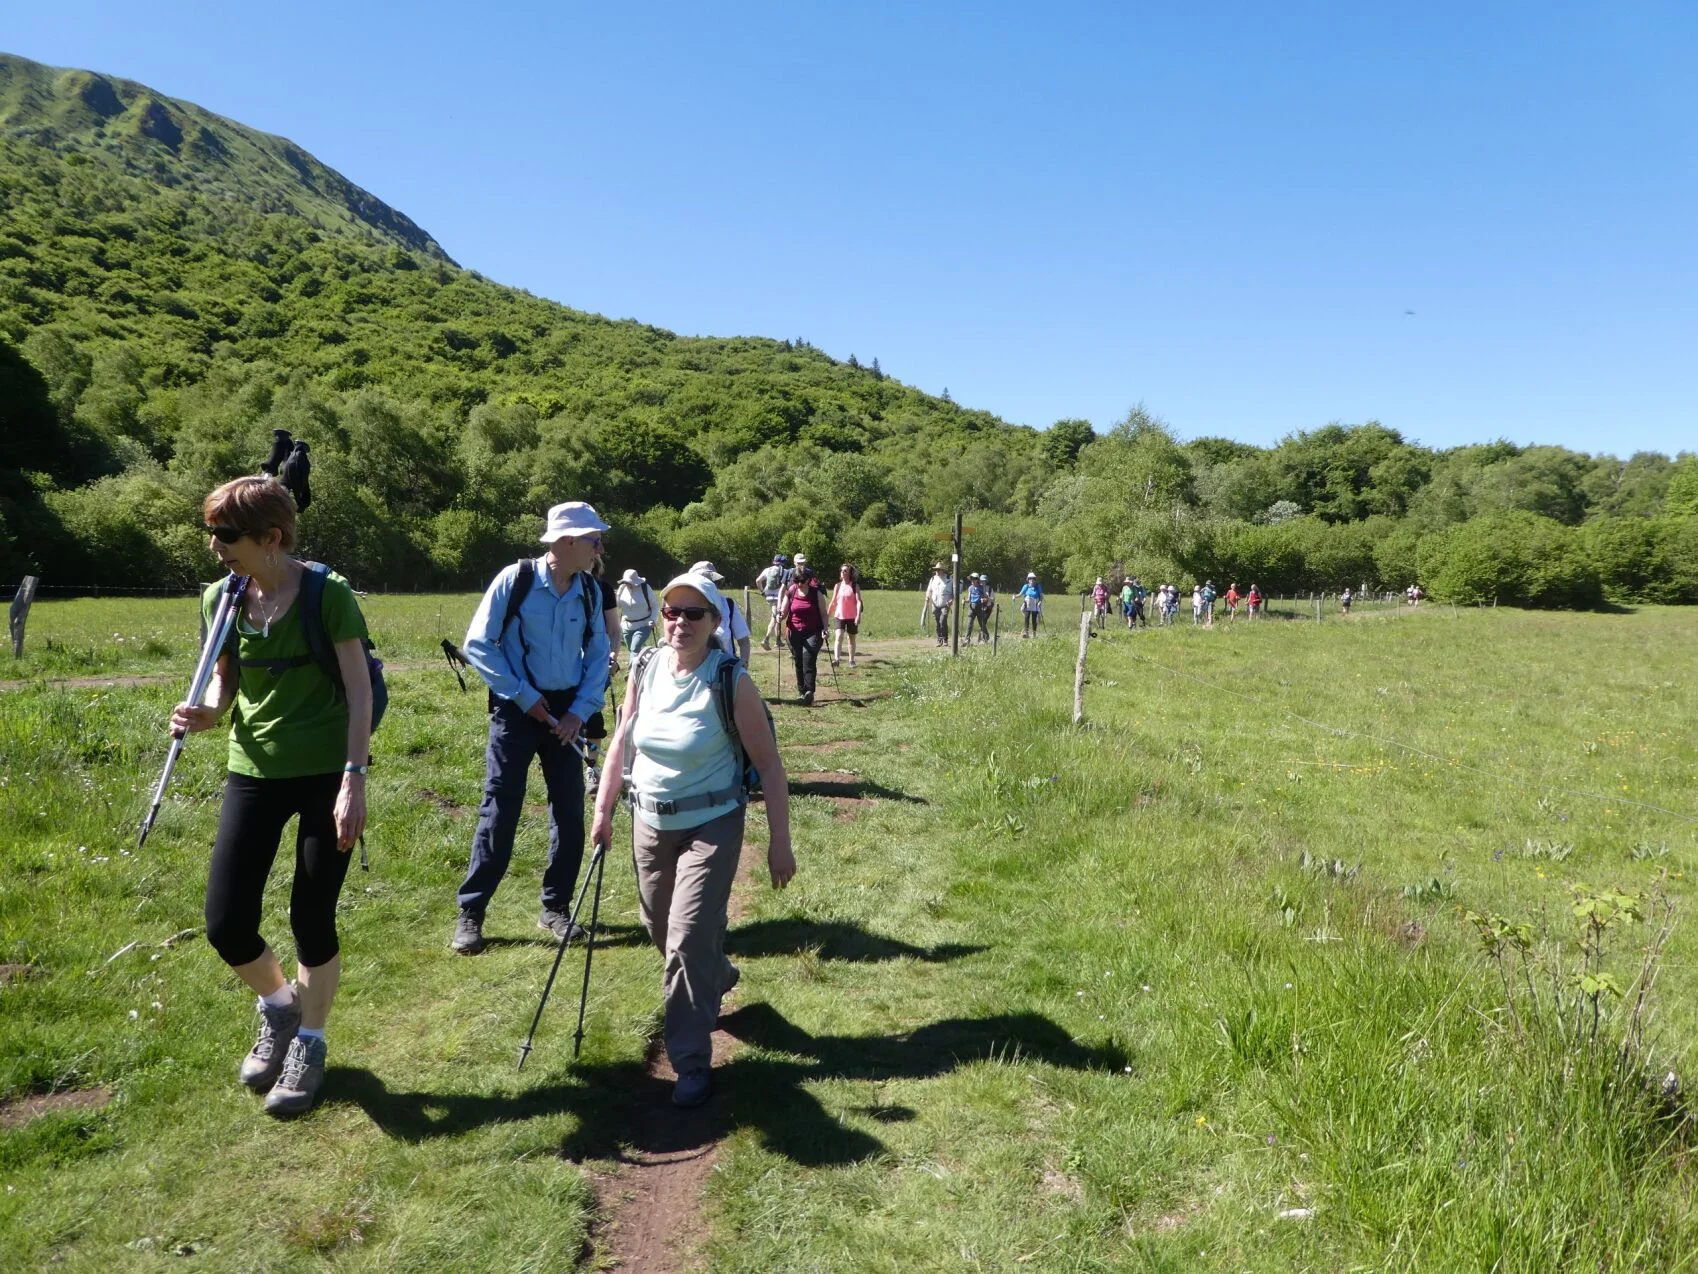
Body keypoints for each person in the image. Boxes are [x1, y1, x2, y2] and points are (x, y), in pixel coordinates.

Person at [171, 475, 372, 1117]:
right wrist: (206, 713)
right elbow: (226, 684)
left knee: (311, 915)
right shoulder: (220, 599)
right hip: (252, 767)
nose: (215, 547)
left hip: (325, 772)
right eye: (212, 534)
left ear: (271, 538)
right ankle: (280, 1008)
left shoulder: (328, 596)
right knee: (226, 922)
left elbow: (359, 690)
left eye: (226, 536)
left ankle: (309, 1045)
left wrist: (353, 780)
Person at [591, 571, 795, 1108]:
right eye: (672, 613)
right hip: (649, 821)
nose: (681, 623)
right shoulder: (644, 666)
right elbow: (622, 740)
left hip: (713, 823)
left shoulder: (730, 680)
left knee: (683, 938)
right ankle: (718, 970)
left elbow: (770, 767)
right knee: (659, 925)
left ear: (714, 622)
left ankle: (690, 1061)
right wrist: (603, 808)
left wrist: (781, 842)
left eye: (694, 614)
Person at [451, 501, 612, 956]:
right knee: (500, 811)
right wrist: (524, 697)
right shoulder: (515, 580)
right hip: (516, 709)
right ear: (566, 542)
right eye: (593, 539)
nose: (600, 547)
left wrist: (579, 712)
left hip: (568, 714)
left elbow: (599, 656)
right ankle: (472, 912)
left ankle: (555, 908)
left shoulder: (591, 591)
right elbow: (478, 645)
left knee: (569, 813)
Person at [780, 562, 828, 705]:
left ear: (808, 580)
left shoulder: (816, 593)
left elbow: (824, 614)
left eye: (801, 581)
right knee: (798, 660)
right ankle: (802, 691)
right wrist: (779, 616)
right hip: (794, 631)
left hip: (813, 631)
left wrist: (825, 629)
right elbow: (784, 612)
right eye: (796, 580)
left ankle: (809, 692)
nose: (799, 583)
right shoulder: (791, 591)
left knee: (809, 658)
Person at [689, 560, 751, 665]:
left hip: (725, 671)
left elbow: (744, 640)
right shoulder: (683, 607)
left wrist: (742, 666)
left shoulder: (728, 605)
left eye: (710, 581)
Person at [616, 568, 659, 655]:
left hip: (644, 625)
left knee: (634, 648)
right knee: (631, 650)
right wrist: (618, 594)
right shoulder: (622, 589)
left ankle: (632, 668)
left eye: (629, 582)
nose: (627, 584)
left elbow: (655, 606)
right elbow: (618, 605)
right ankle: (639, 665)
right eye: (626, 582)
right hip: (626, 626)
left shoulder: (645, 588)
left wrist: (653, 619)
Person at [829, 563, 863, 666]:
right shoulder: (837, 586)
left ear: (850, 573)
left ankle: (851, 660)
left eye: (845, 571)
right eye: (841, 570)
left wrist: (858, 616)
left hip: (852, 616)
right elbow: (834, 601)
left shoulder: (854, 586)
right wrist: (827, 615)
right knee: (839, 636)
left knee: (851, 638)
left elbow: (858, 602)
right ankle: (836, 660)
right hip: (840, 615)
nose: (843, 572)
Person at [755, 554, 789, 650]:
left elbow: (758, 581)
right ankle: (766, 640)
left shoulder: (767, 570)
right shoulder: (785, 571)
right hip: (778, 598)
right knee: (774, 619)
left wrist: (762, 592)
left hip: (769, 597)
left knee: (776, 617)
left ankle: (778, 641)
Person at [924, 562, 953, 646]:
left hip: (945, 603)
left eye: (938, 569)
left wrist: (952, 599)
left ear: (942, 570)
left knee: (943, 621)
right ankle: (939, 639)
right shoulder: (933, 579)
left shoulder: (949, 578)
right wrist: (927, 597)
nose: (937, 571)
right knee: (937, 622)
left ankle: (945, 639)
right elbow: (929, 590)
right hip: (935, 604)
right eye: (936, 569)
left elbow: (954, 591)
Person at [1017, 572, 1044, 637]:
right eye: (1030, 578)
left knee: (1034, 620)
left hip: (1035, 603)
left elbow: (1041, 595)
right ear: (1028, 579)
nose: (1031, 580)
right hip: (1027, 604)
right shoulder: (1026, 586)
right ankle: (1027, 633)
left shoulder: (1038, 586)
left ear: (1035, 579)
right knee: (1026, 618)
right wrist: (1014, 596)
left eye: (1033, 578)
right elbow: (1020, 594)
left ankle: (1034, 635)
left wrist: (1040, 601)